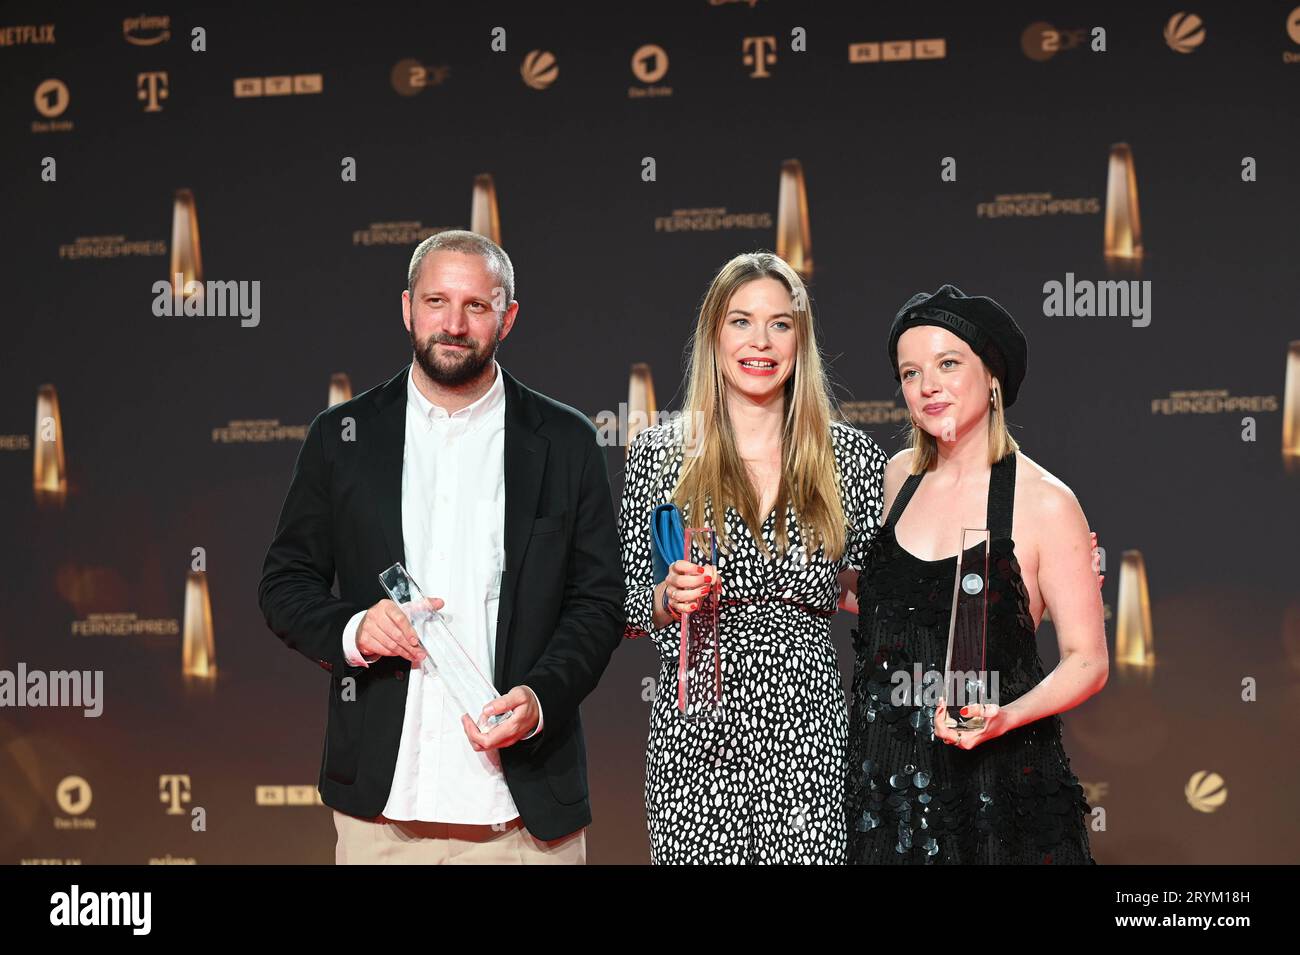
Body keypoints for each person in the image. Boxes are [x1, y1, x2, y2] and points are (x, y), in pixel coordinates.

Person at [258, 230, 625, 864]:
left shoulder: (566, 441)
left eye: (476, 306)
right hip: (381, 818)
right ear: (407, 308)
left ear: (506, 318)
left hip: (526, 819)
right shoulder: (341, 438)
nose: (453, 324)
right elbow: (285, 584)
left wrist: (539, 700)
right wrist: (355, 630)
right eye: (436, 302)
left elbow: (596, 603)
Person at [619, 251, 889, 863]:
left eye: (780, 323)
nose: (759, 342)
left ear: (801, 338)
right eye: (740, 321)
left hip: (808, 733)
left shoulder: (849, 458)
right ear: (714, 334)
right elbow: (628, 603)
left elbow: (882, 592)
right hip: (695, 739)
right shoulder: (663, 455)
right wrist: (667, 597)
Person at [846, 283, 1107, 864]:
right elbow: (901, 603)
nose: (927, 385)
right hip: (887, 785)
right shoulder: (895, 480)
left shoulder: (1044, 501)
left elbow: (1088, 659)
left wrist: (1005, 716)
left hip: (997, 788)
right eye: (910, 373)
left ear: (992, 378)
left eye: (947, 363)